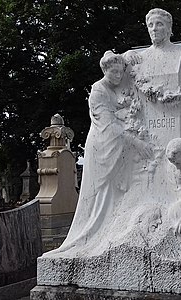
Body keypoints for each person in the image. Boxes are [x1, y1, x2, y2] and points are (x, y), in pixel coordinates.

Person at [48, 51, 152, 254]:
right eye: (114, 72)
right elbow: (109, 126)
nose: (118, 76)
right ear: (105, 70)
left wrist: (131, 54)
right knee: (101, 196)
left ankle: (111, 231)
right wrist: (138, 144)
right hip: (104, 147)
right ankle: (95, 235)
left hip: (117, 146)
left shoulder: (114, 87)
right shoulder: (98, 91)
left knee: (114, 195)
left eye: (120, 72)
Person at [125, 8, 181, 145]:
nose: (154, 29)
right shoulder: (139, 58)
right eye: (150, 25)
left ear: (169, 28)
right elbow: (114, 73)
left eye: (159, 24)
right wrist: (126, 55)